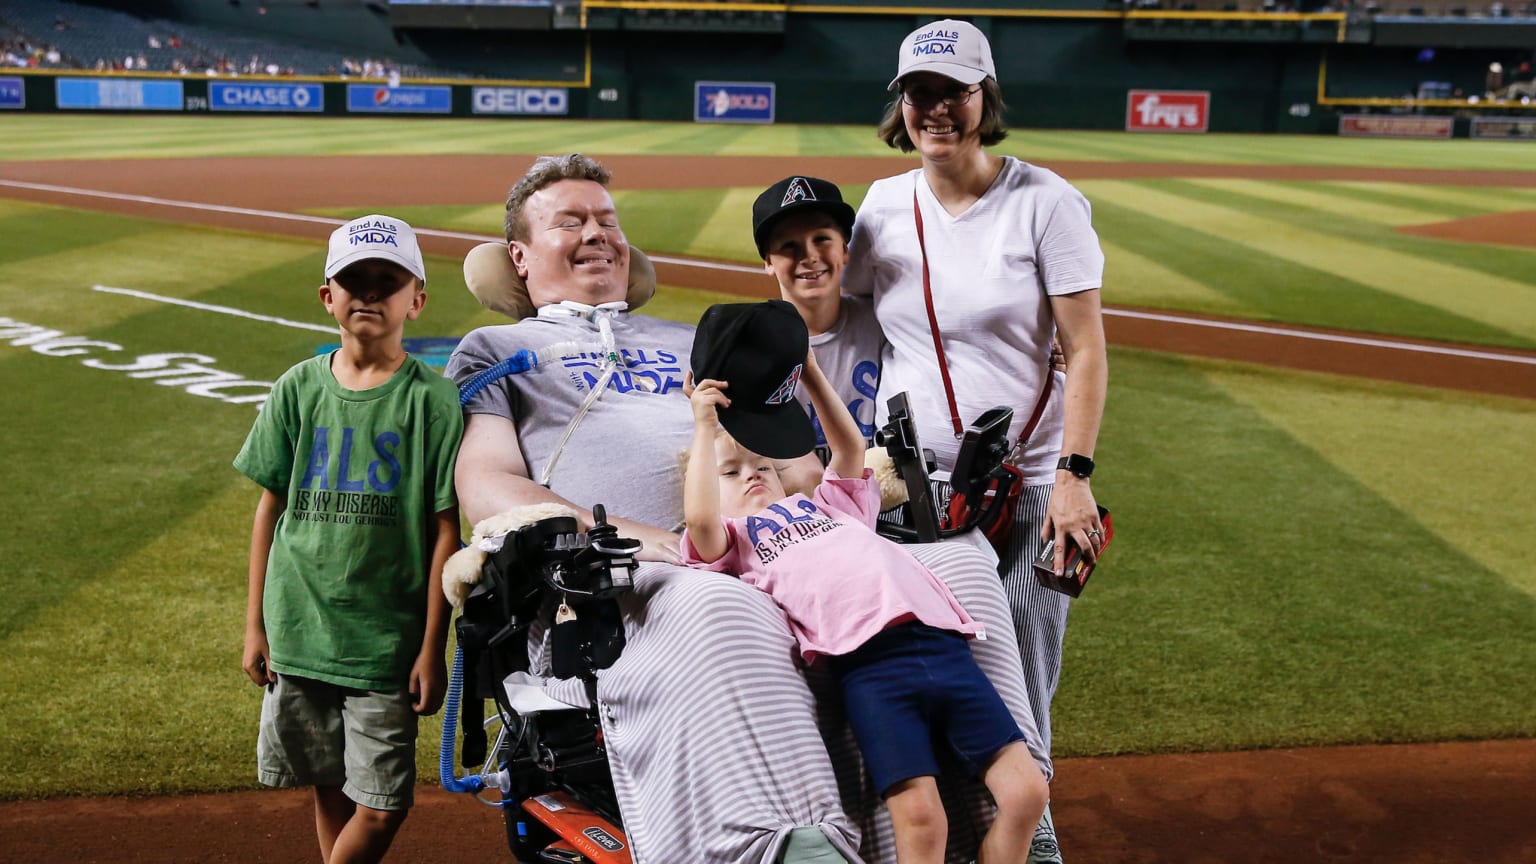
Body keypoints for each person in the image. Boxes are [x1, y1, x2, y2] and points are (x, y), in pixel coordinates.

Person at [447, 153, 1049, 864]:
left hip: (773, 542)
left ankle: (1005, 821)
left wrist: (827, 502)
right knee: (722, 603)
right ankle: (789, 844)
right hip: (626, 576)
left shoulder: (690, 338)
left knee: (963, 562)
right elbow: (487, 484)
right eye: (571, 221)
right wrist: (650, 543)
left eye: (608, 220)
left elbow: (795, 454)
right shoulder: (498, 350)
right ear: (518, 255)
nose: (599, 234)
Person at [844, 19, 1110, 864]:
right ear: (902, 105)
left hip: (1027, 488)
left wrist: (1074, 476)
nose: (936, 111)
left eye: (953, 93)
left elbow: (1089, 348)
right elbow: (846, 325)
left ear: (983, 97)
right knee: (917, 686)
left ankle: (1034, 854)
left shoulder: (1046, 201)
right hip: (910, 497)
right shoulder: (884, 204)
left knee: (1019, 695)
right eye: (919, 94)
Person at [681, 300, 1049, 864]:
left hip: (946, 648)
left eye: (763, 467)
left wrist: (809, 370)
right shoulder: (735, 545)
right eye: (731, 472)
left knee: (1027, 793)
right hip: (871, 671)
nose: (752, 474)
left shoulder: (832, 508)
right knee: (923, 819)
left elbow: (850, 449)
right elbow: (702, 519)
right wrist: (705, 429)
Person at [236, 214, 463, 864]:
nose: (368, 294)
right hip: (300, 627)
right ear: (327, 296)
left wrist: (431, 647)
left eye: (385, 281)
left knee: (383, 803)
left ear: (416, 298)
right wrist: (256, 626)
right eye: (353, 281)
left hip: (384, 641)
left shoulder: (434, 402)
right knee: (328, 781)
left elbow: (447, 527)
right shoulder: (297, 389)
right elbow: (268, 509)